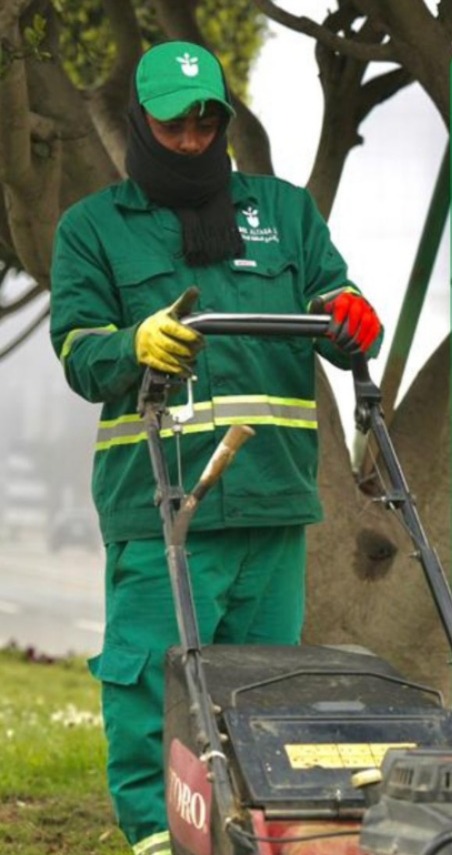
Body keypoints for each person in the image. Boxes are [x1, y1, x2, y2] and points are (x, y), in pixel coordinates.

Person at [50, 40, 383, 855]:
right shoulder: (93, 229)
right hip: (161, 498)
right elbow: (79, 351)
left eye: (208, 122)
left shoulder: (285, 211)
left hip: (270, 494)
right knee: (151, 678)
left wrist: (352, 314)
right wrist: (136, 343)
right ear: (141, 125)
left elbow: (332, 295)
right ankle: (155, 837)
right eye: (175, 126)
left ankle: (250, 829)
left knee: (265, 688)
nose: (195, 140)